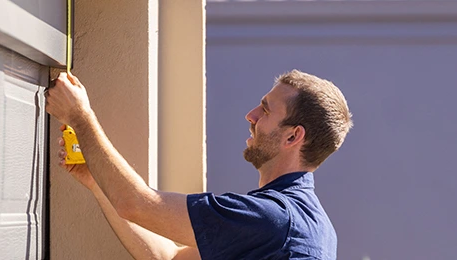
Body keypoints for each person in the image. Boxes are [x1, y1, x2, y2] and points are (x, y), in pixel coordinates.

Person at [45, 69, 352, 260]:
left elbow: (137, 204)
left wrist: (79, 116)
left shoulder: (272, 220)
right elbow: (168, 258)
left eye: (266, 110)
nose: (251, 115)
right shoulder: (315, 226)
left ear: (293, 136)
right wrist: (98, 184)